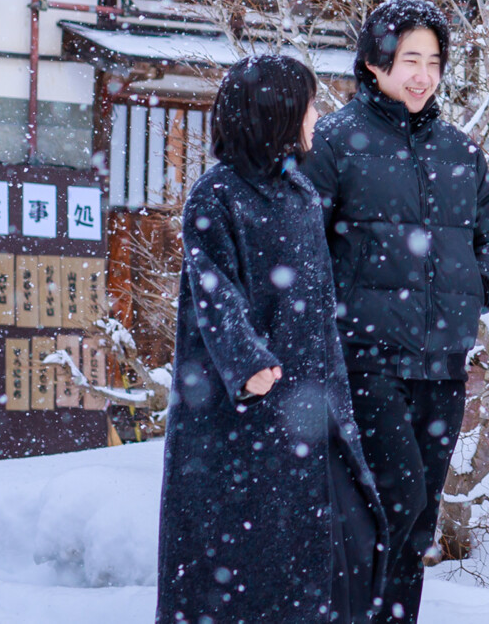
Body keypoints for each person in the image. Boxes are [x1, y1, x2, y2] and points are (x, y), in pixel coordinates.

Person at [306, 0, 489, 623]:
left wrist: (476, 289)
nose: (422, 74)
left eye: (433, 61)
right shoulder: (337, 141)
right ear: (375, 64)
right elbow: (304, 239)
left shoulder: (459, 150)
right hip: (366, 357)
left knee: (419, 516)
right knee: (392, 498)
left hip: (444, 362)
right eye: (408, 59)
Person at [157, 54, 384, 624]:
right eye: (308, 104)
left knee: (344, 547)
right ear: (276, 113)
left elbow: (313, 302)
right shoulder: (218, 194)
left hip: (311, 407)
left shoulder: (299, 191)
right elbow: (213, 290)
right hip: (240, 419)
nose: (316, 115)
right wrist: (247, 361)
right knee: (242, 568)